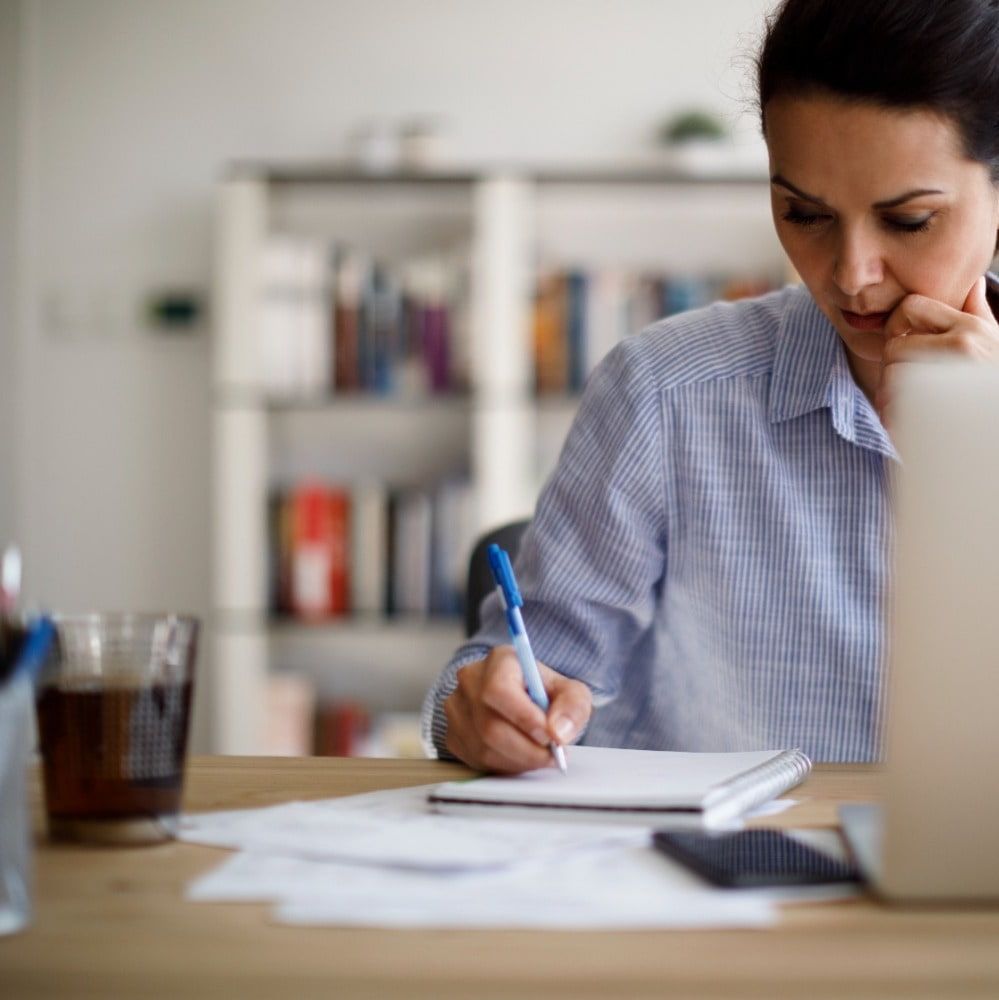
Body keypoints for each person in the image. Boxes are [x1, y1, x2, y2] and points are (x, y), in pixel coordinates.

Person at [421, 0, 999, 773]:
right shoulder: (663, 391)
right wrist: (483, 708)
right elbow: (523, 669)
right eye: (802, 212)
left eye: (907, 221)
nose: (850, 273)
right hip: (696, 873)